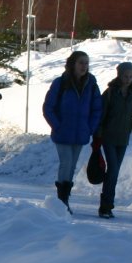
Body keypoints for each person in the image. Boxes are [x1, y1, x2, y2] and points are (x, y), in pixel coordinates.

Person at [42, 50, 102, 211]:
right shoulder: (60, 83)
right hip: (63, 132)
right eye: (81, 62)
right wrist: (57, 125)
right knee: (66, 163)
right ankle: (62, 201)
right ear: (73, 64)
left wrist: (90, 127)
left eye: (86, 63)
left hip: (81, 132)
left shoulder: (91, 84)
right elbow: (48, 107)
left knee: (72, 165)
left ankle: (65, 199)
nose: (84, 66)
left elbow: (97, 109)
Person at [93, 61, 132, 219]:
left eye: (131, 76)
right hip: (108, 137)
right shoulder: (110, 93)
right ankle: (106, 206)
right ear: (119, 75)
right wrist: (97, 136)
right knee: (113, 170)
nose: (128, 79)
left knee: (114, 172)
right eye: (126, 76)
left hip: (123, 139)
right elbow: (101, 117)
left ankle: (106, 206)